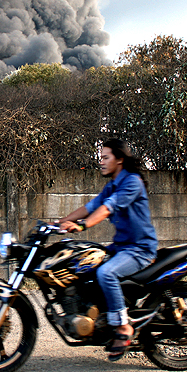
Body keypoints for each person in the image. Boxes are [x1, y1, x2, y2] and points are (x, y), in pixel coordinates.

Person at [56, 139, 157, 359]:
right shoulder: (112, 185)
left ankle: (123, 327)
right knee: (85, 266)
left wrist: (82, 225)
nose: (100, 162)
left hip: (140, 249)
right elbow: (90, 206)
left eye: (105, 158)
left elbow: (106, 208)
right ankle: (100, 319)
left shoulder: (132, 182)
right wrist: (59, 222)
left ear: (119, 159)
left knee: (106, 273)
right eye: (100, 158)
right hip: (121, 247)